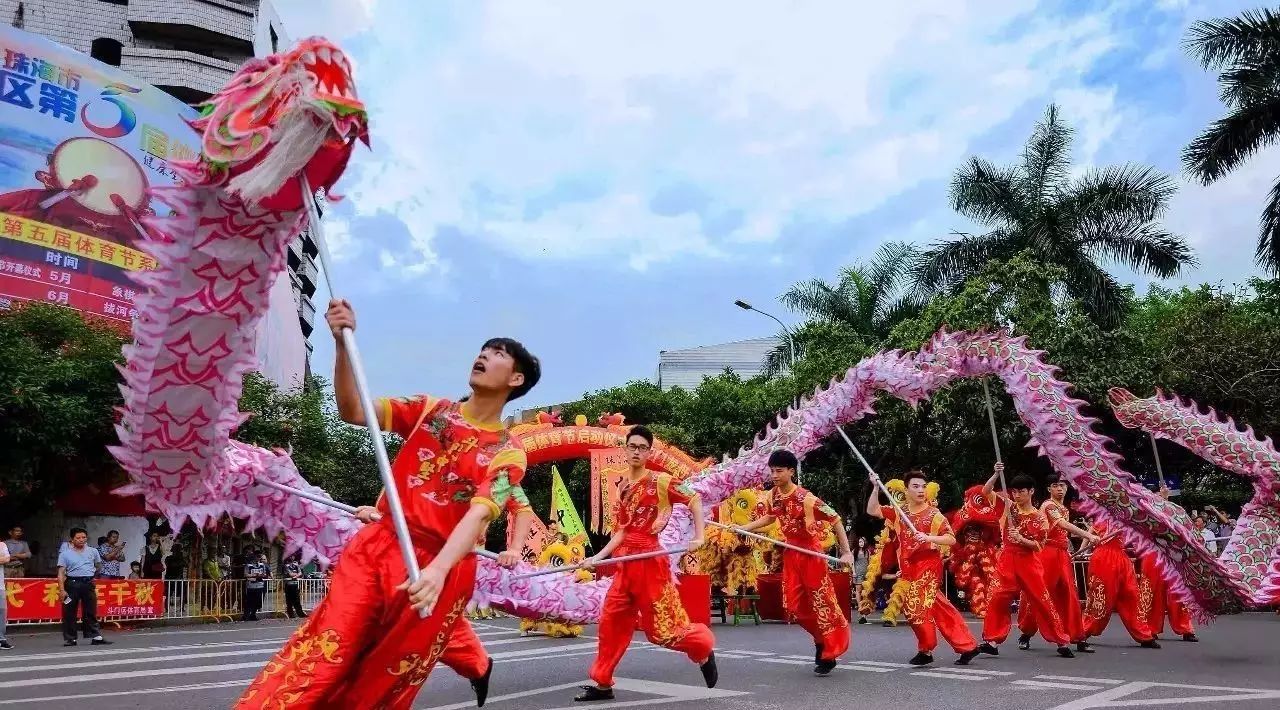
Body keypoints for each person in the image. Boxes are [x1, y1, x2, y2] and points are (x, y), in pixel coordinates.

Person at [237, 299, 539, 710]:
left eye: (498, 353)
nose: (484, 355)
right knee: (325, 650)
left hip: (442, 570)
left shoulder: (509, 453)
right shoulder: (430, 411)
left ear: (516, 378)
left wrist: (438, 570)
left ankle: (477, 666)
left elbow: (480, 512)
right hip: (379, 547)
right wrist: (342, 345)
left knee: (382, 682)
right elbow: (354, 410)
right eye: (484, 349)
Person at [573, 425, 717, 702]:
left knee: (662, 632)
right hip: (625, 564)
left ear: (649, 452)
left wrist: (699, 536)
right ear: (625, 450)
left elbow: (695, 499)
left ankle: (702, 647)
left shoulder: (662, 481)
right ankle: (603, 683)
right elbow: (622, 531)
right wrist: (596, 558)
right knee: (611, 622)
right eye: (632, 446)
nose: (636, 451)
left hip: (650, 563)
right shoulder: (624, 486)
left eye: (642, 447)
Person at [737, 449, 853, 675]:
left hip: (810, 554)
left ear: (791, 471)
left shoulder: (807, 499)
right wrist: (745, 527)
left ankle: (830, 648)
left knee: (822, 603)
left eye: (779, 471)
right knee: (795, 607)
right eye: (772, 471)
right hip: (791, 554)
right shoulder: (773, 495)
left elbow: (835, 518)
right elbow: (770, 517)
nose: (774, 475)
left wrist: (847, 552)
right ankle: (821, 640)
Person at [868, 470, 981, 666]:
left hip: (928, 567)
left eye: (922, 486)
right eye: (915, 486)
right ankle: (967, 646)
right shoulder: (900, 512)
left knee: (914, 607)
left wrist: (929, 538)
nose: (921, 490)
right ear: (906, 489)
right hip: (908, 567)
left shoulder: (933, 515)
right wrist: (876, 487)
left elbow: (951, 538)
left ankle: (926, 649)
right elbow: (873, 510)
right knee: (938, 606)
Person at [978, 465, 1075, 658]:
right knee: (997, 597)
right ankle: (992, 640)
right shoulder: (1008, 506)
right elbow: (985, 491)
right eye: (1014, 491)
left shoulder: (1040, 517)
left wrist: (1022, 540)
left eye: (1021, 491)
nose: (1017, 495)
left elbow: (1039, 546)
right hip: (1007, 559)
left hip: (1028, 562)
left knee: (1042, 600)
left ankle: (1061, 641)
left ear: (1031, 492)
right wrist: (996, 473)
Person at [1016, 473, 1099, 653]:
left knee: (1070, 595)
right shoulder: (1048, 505)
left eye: (1062, 485)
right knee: (1039, 594)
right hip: (1046, 554)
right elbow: (1061, 524)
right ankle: (1027, 632)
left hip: (1062, 555)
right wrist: (1088, 534)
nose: (1059, 489)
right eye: (1055, 486)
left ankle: (1078, 637)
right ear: (1049, 489)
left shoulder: (1064, 507)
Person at [1081, 518, 1161, 648]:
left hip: (1122, 559)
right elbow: (1090, 533)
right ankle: (1083, 631)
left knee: (1132, 595)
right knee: (1101, 599)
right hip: (1103, 559)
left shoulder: (1127, 519)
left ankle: (1144, 635)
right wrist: (1082, 551)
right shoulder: (1101, 518)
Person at [1138, 485, 1198, 642]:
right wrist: (1162, 500)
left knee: (1178, 591)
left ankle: (1185, 627)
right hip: (1152, 552)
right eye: (1154, 494)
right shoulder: (1143, 508)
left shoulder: (1175, 510)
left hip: (1173, 553)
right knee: (1151, 591)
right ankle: (1149, 628)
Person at [58, 527, 111, 646]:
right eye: (78, 538)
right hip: (72, 584)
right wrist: (62, 590)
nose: (81, 540)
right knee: (69, 611)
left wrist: (90, 574)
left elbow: (98, 566)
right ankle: (71, 638)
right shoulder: (65, 554)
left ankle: (95, 636)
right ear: (72, 540)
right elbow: (61, 572)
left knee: (90, 610)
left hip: (88, 583)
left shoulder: (93, 551)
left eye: (84, 537)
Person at [243, 551, 269, 621]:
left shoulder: (262, 565)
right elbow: (245, 574)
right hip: (251, 586)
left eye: (260, 556)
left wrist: (261, 575)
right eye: (257, 556)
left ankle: (253, 615)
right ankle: (246, 616)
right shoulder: (248, 565)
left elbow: (264, 574)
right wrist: (254, 575)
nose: (259, 558)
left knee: (257, 602)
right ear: (254, 556)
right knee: (249, 601)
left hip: (260, 585)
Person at [282, 554, 307, 619]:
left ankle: (300, 613)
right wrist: (296, 575)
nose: (292, 557)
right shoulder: (285, 566)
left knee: (297, 600)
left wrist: (295, 576)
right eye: (290, 556)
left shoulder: (296, 565)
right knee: (289, 601)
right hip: (289, 585)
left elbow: (300, 573)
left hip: (295, 584)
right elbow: (290, 574)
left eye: (293, 556)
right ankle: (291, 614)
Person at [0, 542, 11, 649]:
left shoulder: (2, 545)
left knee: (2, 612)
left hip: (0, 586)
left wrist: (3, 559)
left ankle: (1, 639)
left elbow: (7, 559)